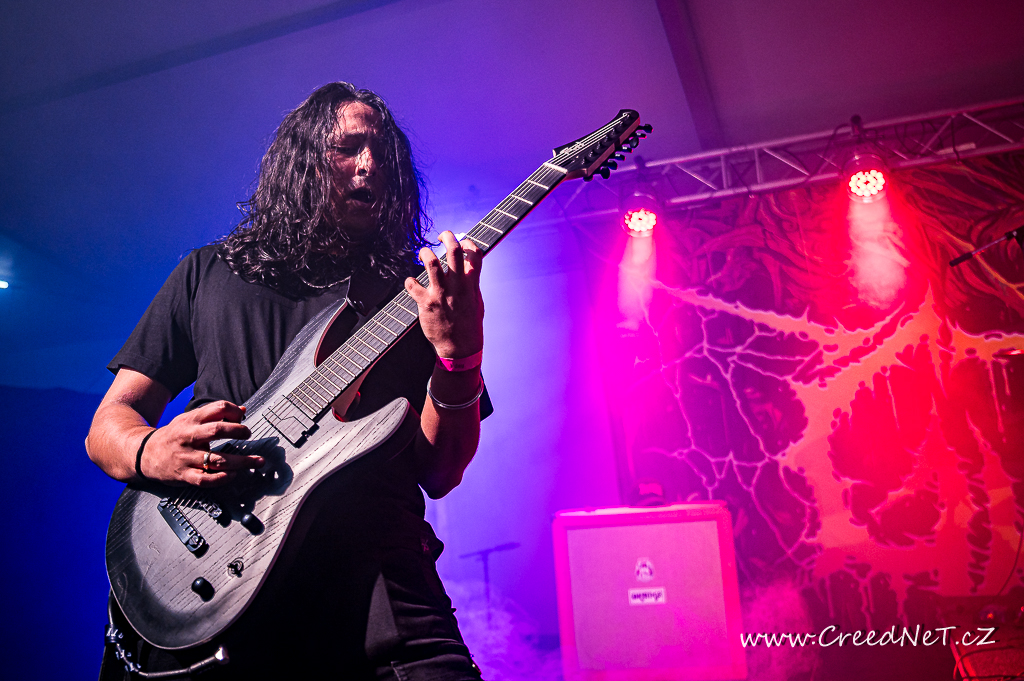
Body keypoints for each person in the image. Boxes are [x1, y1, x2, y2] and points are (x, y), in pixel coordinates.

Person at [86, 82, 489, 680]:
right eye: (348, 147)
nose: (370, 165)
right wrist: (150, 450)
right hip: (218, 575)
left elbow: (441, 471)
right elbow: (107, 425)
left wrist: (460, 354)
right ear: (300, 160)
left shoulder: (422, 296)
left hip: (378, 589)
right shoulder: (208, 271)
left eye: (383, 152)